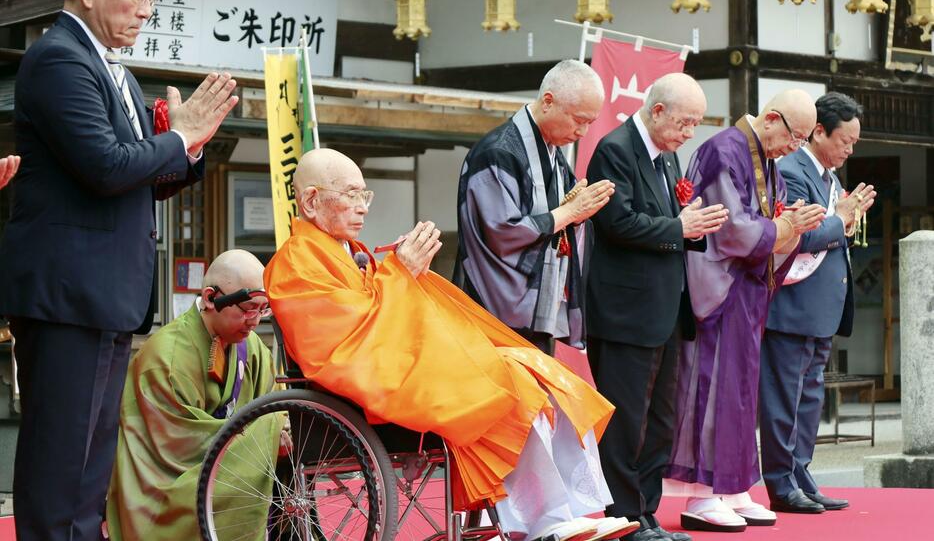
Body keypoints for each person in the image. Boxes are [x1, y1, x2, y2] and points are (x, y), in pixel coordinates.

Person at [265, 148, 638, 541]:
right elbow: (345, 343)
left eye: (365, 195)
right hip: (364, 395)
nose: (362, 207)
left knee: (528, 366)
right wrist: (399, 275)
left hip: (396, 371)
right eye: (351, 195)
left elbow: (383, 313)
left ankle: (567, 509)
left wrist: (407, 275)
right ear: (311, 201)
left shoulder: (347, 252)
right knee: (502, 382)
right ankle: (541, 520)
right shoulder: (294, 264)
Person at [0, 0, 238, 540]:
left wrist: (190, 144)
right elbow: (107, 166)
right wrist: (178, 134)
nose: (146, 8)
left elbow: (145, 175)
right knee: (60, 464)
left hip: (105, 289)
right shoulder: (57, 58)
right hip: (66, 291)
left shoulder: (116, 72)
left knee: (90, 466)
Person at [663, 90, 827, 533]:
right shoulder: (724, 150)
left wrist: (791, 224)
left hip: (746, 293)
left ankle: (732, 488)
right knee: (712, 387)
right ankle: (702, 494)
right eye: (794, 138)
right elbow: (731, 229)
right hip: (717, 290)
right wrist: (785, 227)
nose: (793, 149)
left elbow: (767, 226)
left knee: (738, 392)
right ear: (771, 119)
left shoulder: (766, 160)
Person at [585, 74, 729, 541]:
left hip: (666, 308)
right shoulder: (615, 148)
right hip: (626, 312)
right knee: (626, 421)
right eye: (685, 122)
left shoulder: (667, 158)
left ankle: (647, 513)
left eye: (695, 125)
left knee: (660, 422)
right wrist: (678, 227)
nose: (689, 133)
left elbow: (670, 223)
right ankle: (624, 518)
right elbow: (616, 223)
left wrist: (693, 226)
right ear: (658, 110)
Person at [105, 250, 280, 540]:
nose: (255, 320)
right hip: (166, 488)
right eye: (248, 308)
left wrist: (278, 425)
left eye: (263, 309)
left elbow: (273, 406)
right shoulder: (166, 357)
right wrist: (269, 434)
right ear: (211, 298)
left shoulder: (255, 351)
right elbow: (180, 445)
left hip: (219, 473)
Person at [759, 92, 875, 514]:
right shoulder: (792, 170)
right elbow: (798, 235)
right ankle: (780, 481)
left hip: (821, 306)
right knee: (783, 400)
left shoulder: (829, 178)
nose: (849, 149)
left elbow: (834, 228)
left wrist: (847, 216)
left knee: (809, 399)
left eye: (854, 143)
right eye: (845, 140)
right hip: (792, 306)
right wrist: (841, 218)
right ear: (819, 132)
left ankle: (801, 474)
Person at [454, 59, 615, 355]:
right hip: (492, 311)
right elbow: (502, 232)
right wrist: (570, 212)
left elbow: (564, 215)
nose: (582, 132)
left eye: (589, 123)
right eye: (578, 119)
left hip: (536, 309)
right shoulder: (498, 153)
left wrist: (578, 212)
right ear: (548, 102)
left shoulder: (552, 150)